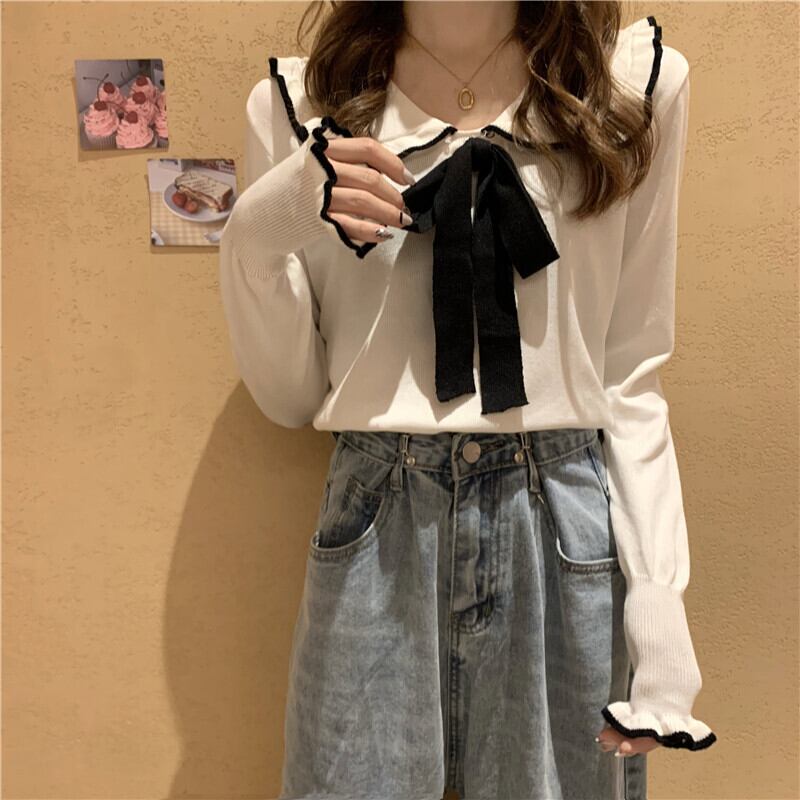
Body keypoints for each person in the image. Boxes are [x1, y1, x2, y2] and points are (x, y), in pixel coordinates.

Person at [218, 2, 718, 798]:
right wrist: (256, 233)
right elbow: (291, 397)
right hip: (376, 526)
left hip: (563, 531)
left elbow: (629, 375)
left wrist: (658, 600)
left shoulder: (631, 91)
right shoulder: (302, 106)